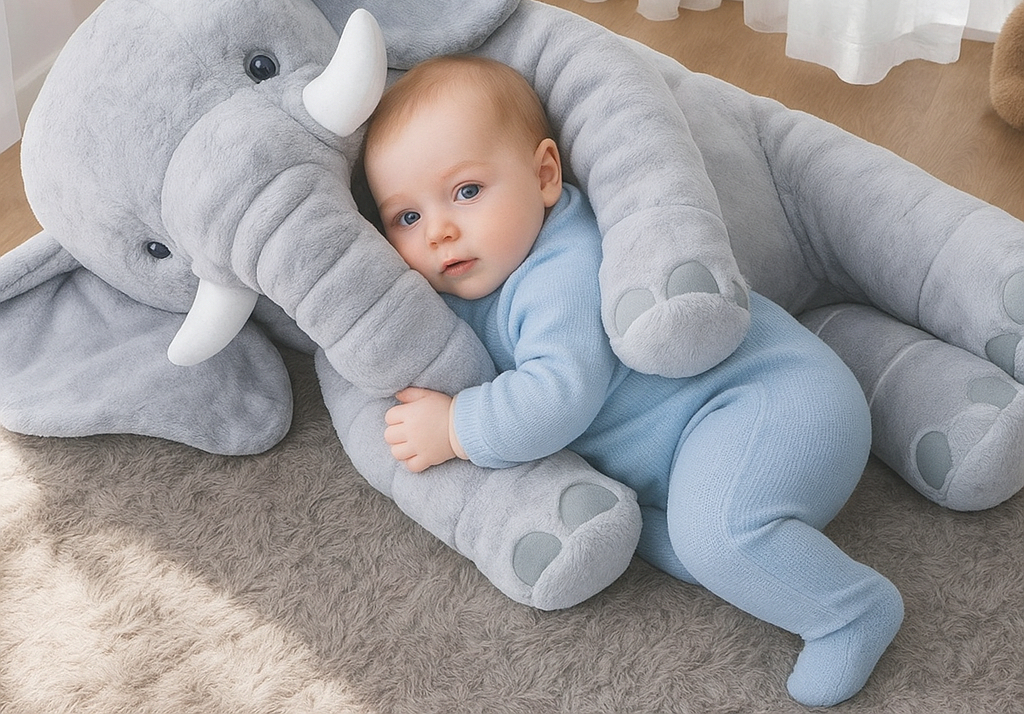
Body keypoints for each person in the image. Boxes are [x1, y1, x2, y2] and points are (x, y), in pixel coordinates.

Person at [360, 54, 903, 708]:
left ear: (544, 176)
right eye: (407, 218)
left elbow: (556, 399)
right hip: (712, 441)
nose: (439, 231)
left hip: (774, 405)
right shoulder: (485, 269)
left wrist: (456, 426)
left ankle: (850, 609)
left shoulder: (560, 269)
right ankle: (738, 545)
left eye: (467, 191)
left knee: (717, 537)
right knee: (683, 545)